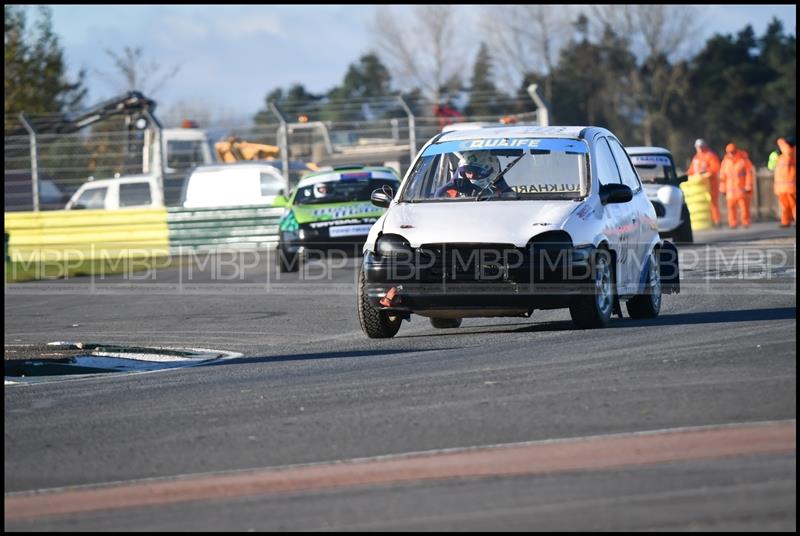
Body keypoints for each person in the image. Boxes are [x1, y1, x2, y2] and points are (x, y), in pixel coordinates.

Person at [435, 151, 513, 198]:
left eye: (477, 171)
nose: (471, 176)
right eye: (468, 172)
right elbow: (438, 196)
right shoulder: (459, 185)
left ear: (491, 170)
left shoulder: (502, 190)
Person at [687, 138, 722, 227]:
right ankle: (704, 222)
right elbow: (691, 170)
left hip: (710, 183)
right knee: (700, 204)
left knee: (713, 202)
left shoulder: (710, 155)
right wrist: (687, 175)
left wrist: (706, 173)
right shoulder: (696, 158)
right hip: (699, 186)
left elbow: (715, 167)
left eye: (701, 146)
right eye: (698, 147)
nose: (700, 148)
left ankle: (716, 221)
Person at [719, 143, 754, 229]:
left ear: (736, 151)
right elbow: (723, 177)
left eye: (733, 152)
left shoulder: (743, 160)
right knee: (731, 208)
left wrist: (748, 186)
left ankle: (745, 222)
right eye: (729, 152)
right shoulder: (725, 162)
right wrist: (723, 189)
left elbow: (749, 174)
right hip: (730, 190)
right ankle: (733, 223)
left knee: (744, 207)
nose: (731, 153)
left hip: (741, 189)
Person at [773, 136, 796, 227]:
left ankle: (788, 220)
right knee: (785, 206)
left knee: (793, 205)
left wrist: (781, 141)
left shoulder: (790, 153)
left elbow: (788, 151)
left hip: (790, 186)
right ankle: (785, 221)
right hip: (781, 188)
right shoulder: (781, 156)